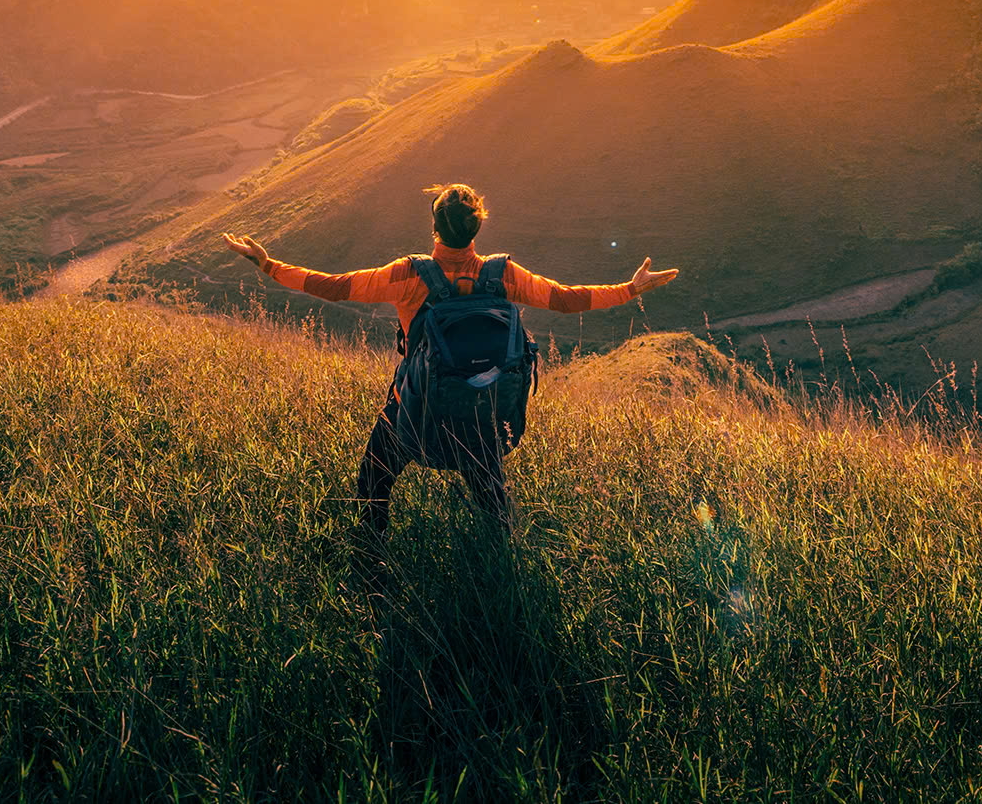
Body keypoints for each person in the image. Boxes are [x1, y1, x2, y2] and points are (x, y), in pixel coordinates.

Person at [222, 182, 678, 565]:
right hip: (485, 405)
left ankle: (371, 563)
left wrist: (267, 264)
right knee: (491, 497)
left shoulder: (408, 275)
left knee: (375, 479)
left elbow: (335, 287)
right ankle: (503, 569)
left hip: (416, 404)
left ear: (434, 228)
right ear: (477, 228)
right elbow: (565, 298)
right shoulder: (503, 274)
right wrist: (629, 289)